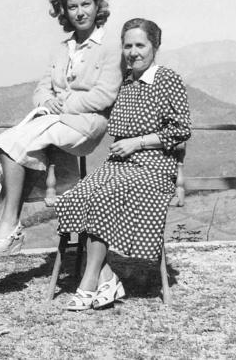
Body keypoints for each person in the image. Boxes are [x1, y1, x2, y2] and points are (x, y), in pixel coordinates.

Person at [0, 0, 123, 294]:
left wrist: (65, 104)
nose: (80, 12)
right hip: (54, 124)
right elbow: (42, 88)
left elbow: (105, 95)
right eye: (72, 7)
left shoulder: (110, 48)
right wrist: (47, 101)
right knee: (20, 158)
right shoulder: (61, 50)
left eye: (86, 4)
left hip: (86, 126)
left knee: (10, 142)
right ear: (64, 12)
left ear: (98, 5)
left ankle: (7, 233)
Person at [54, 18, 192, 311]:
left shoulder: (167, 80)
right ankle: (108, 279)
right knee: (80, 195)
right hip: (117, 165)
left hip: (153, 167)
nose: (133, 52)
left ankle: (88, 281)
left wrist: (138, 142)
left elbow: (181, 129)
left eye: (140, 45)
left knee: (103, 196)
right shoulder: (125, 82)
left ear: (155, 46)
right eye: (127, 45)